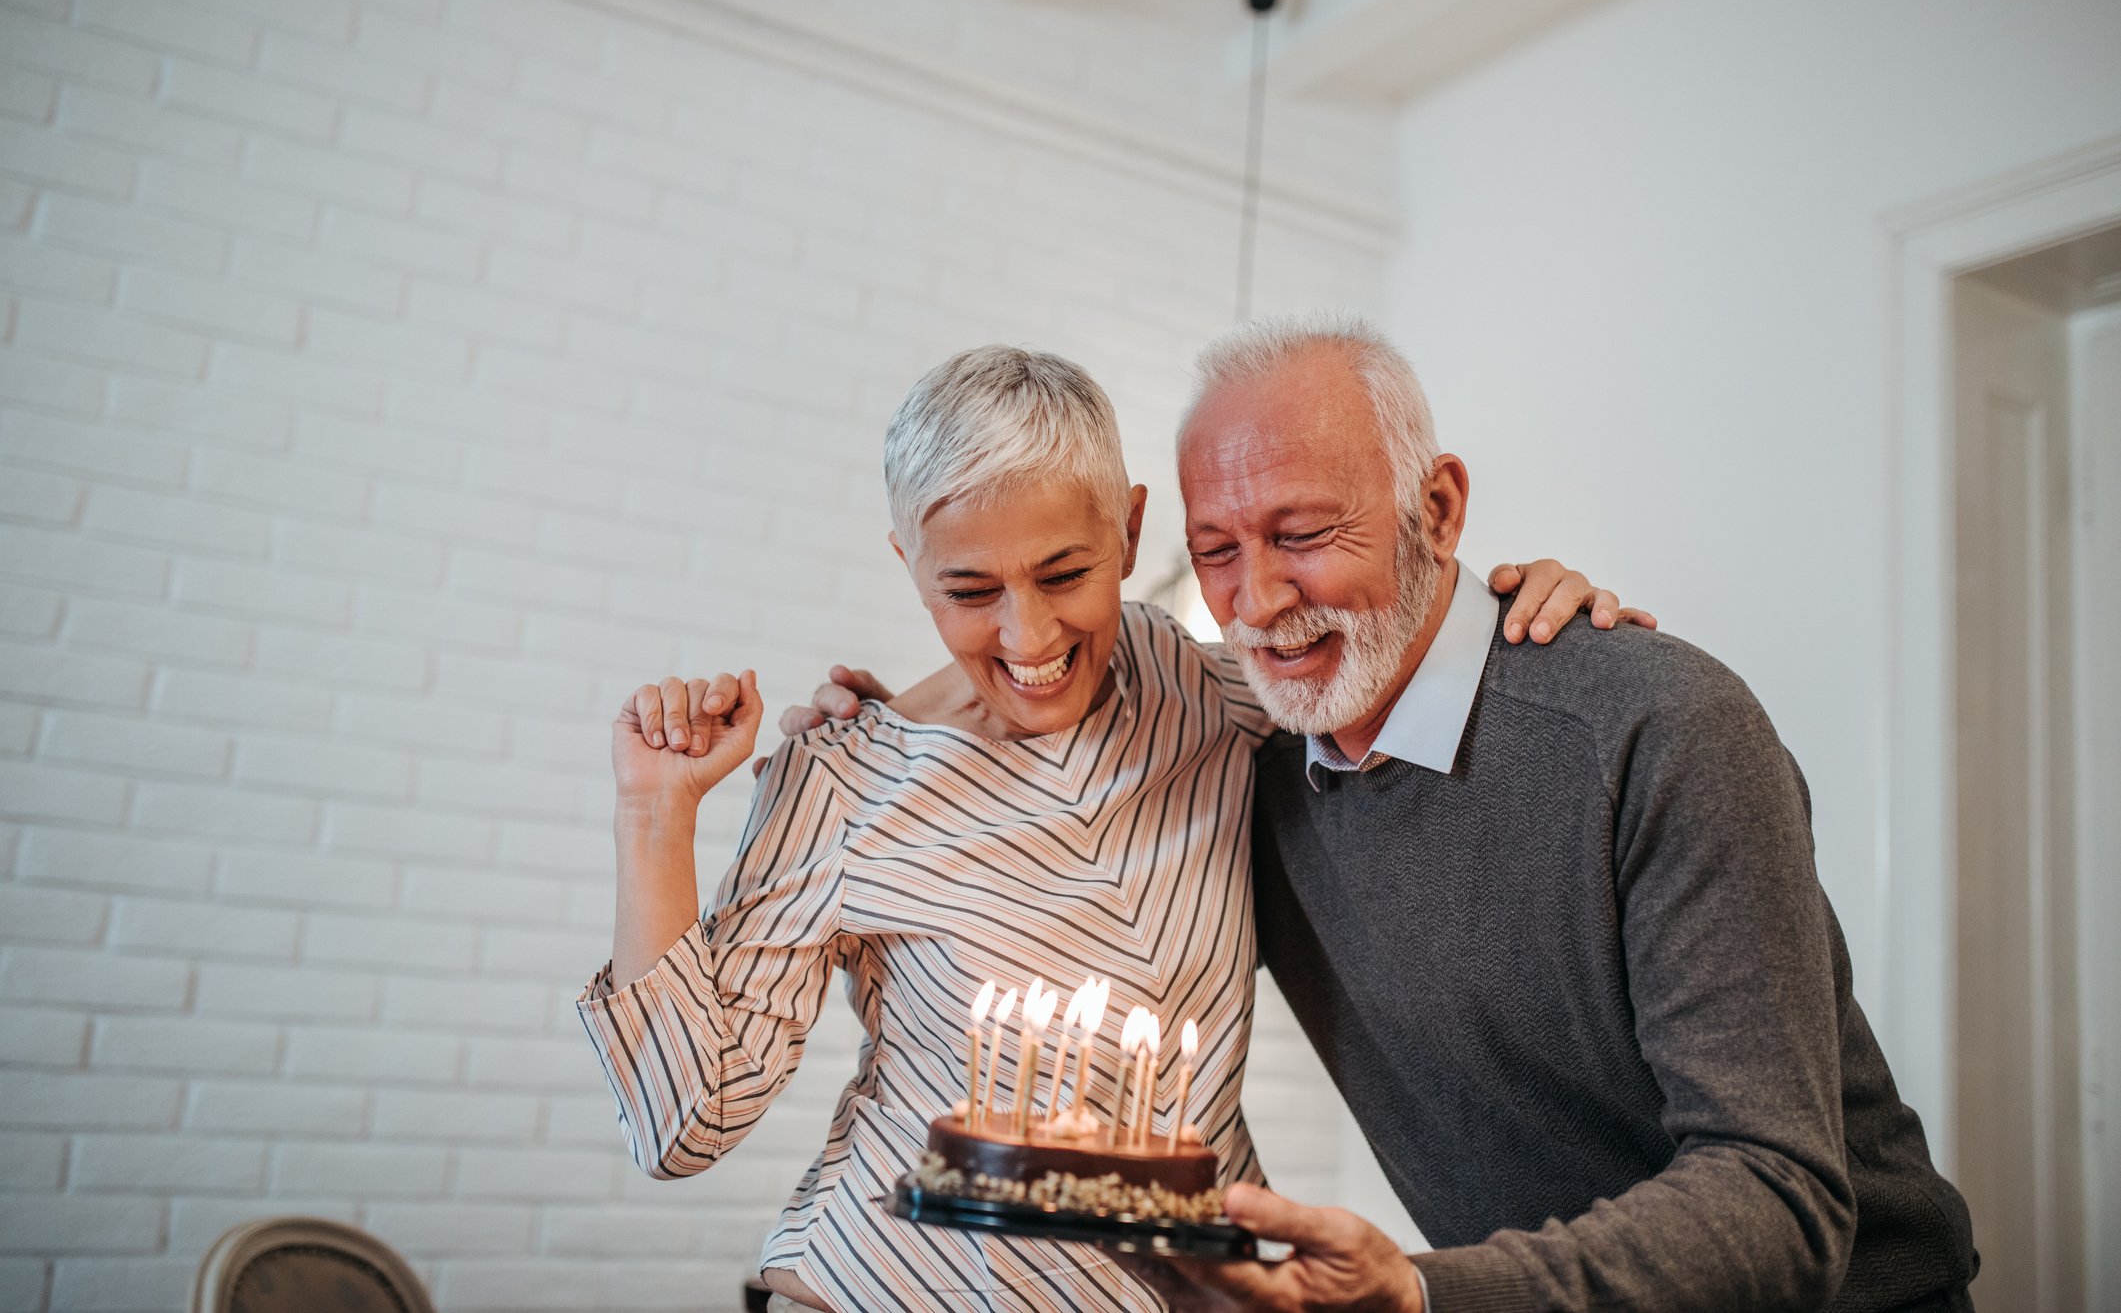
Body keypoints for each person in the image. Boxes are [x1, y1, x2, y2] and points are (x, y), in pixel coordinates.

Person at [803, 313, 1978, 1313]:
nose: (1258, 601)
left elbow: (1780, 1195)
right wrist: (878, 727)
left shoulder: (1655, 727)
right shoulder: (1248, 775)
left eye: (1305, 535)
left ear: (1440, 507)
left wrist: (1425, 1294)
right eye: (1216, 551)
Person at [577, 345, 1630, 1312]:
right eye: (969, 589)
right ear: (908, 562)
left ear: (1130, 530)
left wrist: (1521, 624)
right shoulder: (844, 777)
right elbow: (682, 1124)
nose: (1028, 634)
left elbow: (1385, 668)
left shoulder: (1214, 695)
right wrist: (653, 813)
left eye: (1065, 574)